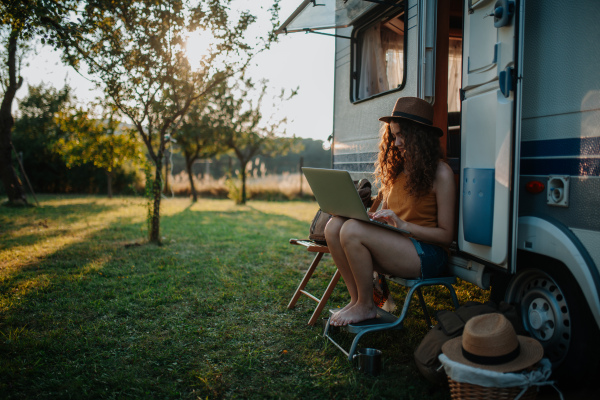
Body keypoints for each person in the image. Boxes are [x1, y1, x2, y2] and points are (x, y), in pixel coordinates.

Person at [325, 97, 456, 326]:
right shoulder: (398, 171)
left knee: (353, 231)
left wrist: (404, 226)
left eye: (402, 136)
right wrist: (375, 219)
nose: (396, 143)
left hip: (428, 254)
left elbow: (446, 235)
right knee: (334, 226)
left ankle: (367, 305)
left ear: (420, 138)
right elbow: (387, 216)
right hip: (400, 244)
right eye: (394, 136)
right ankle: (357, 301)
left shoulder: (441, 173)